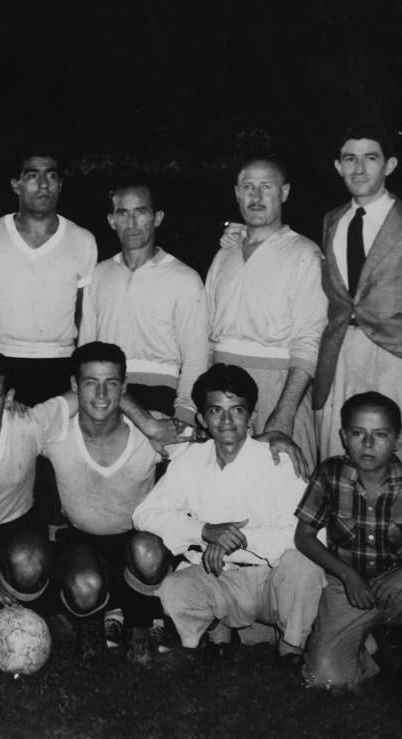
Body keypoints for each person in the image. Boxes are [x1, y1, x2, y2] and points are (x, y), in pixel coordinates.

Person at [0, 345, 171, 661]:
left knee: (39, 560)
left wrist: (148, 424)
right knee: (80, 583)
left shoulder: (35, 424)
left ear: (9, 398)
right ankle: (52, 621)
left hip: (49, 530)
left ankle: (133, 621)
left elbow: (98, 395)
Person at [132, 364, 325, 668]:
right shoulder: (190, 460)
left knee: (303, 567)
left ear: (252, 417)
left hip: (272, 579)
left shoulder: (279, 461)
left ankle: (291, 646)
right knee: (174, 590)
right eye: (215, 411)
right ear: (201, 418)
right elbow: (144, 514)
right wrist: (205, 530)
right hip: (220, 574)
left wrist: (243, 538)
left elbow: (314, 532)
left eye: (237, 410)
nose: (226, 421)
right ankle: (218, 630)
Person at [41, 342, 172, 663]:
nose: (101, 395)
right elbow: (3, 426)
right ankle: (91, 624)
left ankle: (139, 625)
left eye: (111, 384)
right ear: (74, 386)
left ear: (124, 388)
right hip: (82, 540)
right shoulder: (53, 432)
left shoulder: (152, 429)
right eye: (90, 383)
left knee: (149, 551)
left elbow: (208, 443)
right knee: (84, 585)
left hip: (136, 541)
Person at [210, 158, 326, 461]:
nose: (256, 196)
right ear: (237, 193)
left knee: (281, 493)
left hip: (277, 389)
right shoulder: (224, 254)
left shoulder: (305, 252)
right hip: (222, 393)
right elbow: (208, 335)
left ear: (284, 192)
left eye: (266, 187)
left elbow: (309, 340)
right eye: (248, 187)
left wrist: (284, 414)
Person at [295, 392, 402, 689]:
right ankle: (367, 643)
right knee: (326, 679)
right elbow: (303, 537)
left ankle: (384, 640)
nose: (368, 444)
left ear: (397, 440)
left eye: (380, 435)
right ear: (344, 436)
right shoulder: (330, 474)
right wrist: (347, 575)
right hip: (348, 589)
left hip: (398, 583)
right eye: (358, 433)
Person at [80, 177, 208, 424]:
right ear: (111, 220)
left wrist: (185, 411)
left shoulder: (185, 278)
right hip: (106, 395)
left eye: (140, 212)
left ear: (157, 218)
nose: (131, 223)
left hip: (161, 397)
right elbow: (86, 347)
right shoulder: (99, 274)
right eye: (123, 213)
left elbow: (196, 355)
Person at [314, 126, 402, 460]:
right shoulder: (332, 220)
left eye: (371, 158)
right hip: (341, 354)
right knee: (339, 457)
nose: (359, 169)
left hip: (394, 354)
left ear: (389, 165)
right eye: (350, 159)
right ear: (339, 166)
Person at [0, 144, 97, 405]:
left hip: (60, 363)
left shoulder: (82, 240)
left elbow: (84, 312)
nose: (43, 184)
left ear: (60, 184)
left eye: (51, 175)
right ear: (16, 184)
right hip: (0, 359)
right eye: (33, 175)